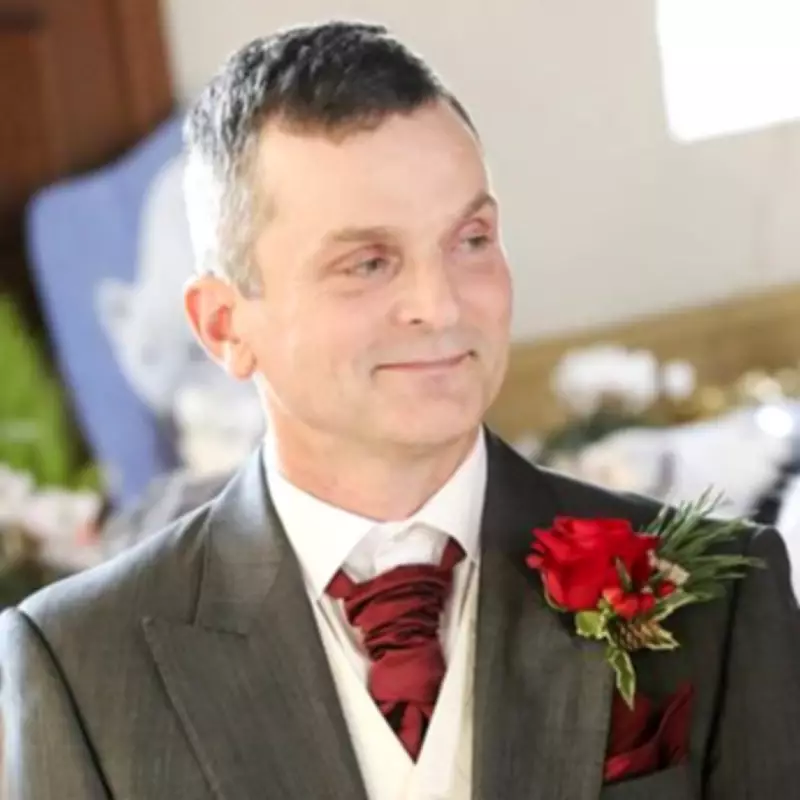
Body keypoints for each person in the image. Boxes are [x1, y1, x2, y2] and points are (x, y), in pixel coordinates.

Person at [2, 21, 799, 800]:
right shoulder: (81, 664)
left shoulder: (714, 597)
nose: (440, 304)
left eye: (470, 239)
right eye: (368, 262)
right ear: (223, 326)